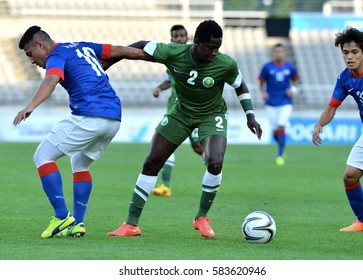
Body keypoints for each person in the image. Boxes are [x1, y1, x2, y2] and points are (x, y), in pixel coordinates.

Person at [106, 20, 262, 239]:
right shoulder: (173, 52)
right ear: (197, 43)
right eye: (210, 47)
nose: (215, 52)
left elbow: (240, 85)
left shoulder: (226, 64)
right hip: (181, 113)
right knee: (152, 162)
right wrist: (112, 60)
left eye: (218, 47)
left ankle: (201, 218)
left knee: (215, 161)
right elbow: (141, 44)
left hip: (212, 115)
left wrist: (250, 115)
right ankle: (131, 224)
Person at [14, 25, 152, 238]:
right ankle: (78, 223)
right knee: (80, 163)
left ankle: (61, 217)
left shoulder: (56, 55)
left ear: (40, 45)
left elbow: (51, 80)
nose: (32, 61)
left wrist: (30, 106)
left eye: (31, 54)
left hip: (89, 115)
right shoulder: (83, 46)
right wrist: (160, 57)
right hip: (113, 118)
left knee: (42, 156)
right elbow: (122, 51)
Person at [312, 26, 363, 232]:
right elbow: (332, 107)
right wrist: (319, 124)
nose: (349, 57)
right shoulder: (345, 78)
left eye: (354, 52)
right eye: (345, 52)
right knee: (349, 176)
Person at [151, 24, 204, 197]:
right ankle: (165, 186)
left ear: (188, 38)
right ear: (171, 39)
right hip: (175, 110)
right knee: (167, 146)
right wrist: (159, 88)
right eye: (176, 36)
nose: (179, 39)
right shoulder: (171, 59)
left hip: (194, 111)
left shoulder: (197, 56)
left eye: (182, 36)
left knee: (198, 147)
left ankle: (213, 173)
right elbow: (168, 80)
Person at [258, 43, 299, 166]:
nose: (279, 54)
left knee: (282, 126)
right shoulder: (267, 67)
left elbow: (296, 82)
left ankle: (280, 154)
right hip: (270, 102)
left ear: (284, 52)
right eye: (276, 52)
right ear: (273, 53)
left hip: (285, 102)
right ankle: (281, 144)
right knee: (275, 131)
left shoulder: (290, 67)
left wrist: (293, 90)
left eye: (281, 51)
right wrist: (262, 92)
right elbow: (260, 81)